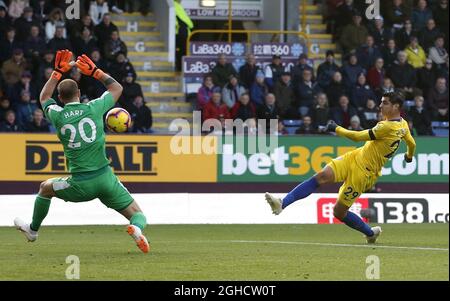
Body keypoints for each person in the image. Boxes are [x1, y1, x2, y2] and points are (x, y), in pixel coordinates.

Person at [14, 50, 150, 253]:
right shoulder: (94, 108)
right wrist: (95, 71)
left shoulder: (57, 115)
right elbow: (116, 87)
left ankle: (33, 230)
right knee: (138, 214)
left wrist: (57, 73)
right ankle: (137, 229)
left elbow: (43, 97)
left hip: (80, 185)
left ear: (60, 97)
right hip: (105, 179)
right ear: (79, 93)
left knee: (45, 188)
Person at [266, 91, 416, 244]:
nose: (380, 105)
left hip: (363, 173)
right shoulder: (403, 124)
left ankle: (370, 233)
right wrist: (409, 156)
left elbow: (357, 137)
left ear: (396, 106)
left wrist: (336, 128)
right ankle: (282, 203)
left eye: (385, 103)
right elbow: (412, 143)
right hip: (355, 157)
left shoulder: (387, 127)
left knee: (339, 212)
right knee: (320, 176)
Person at [174, 0, 193, 72]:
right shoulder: (174, 5)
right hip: (179, 34)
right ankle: (179, 68)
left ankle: (181, 68)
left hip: (183, 34)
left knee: (183, 52)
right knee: (180, 53)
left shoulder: (178, 6)